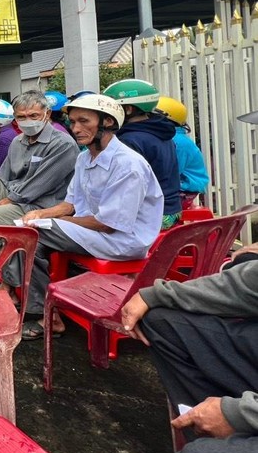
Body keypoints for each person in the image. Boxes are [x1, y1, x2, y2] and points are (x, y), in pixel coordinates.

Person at [18, 93, 163, 340]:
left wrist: (57, 223)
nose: (76, 128)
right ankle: (47, 301)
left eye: (84, 121)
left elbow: (107, 224)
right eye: (73, 122)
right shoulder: (85, 157)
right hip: (91, 231)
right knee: (27, 228)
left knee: (32, 237)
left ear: (107, 123)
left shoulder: (128, 164)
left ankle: (48, 317)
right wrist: (41, 213)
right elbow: (70, 203)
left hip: (121, 241)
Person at [122, 238, 258, 453]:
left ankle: (227, 438)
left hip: (127, 239)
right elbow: (248, 282)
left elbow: (110, 223)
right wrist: (154, 295)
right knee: (161, 321)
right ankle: (208, 426)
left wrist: (240, 413)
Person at [0, 90, 78, 228]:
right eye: (21, 117)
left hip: (38, 205)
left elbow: (36, 187)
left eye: (33, 116)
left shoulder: (62, 144)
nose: (27, 121)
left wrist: (2, 203)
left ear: (47, 114)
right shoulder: (17, 141)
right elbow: (3, 178)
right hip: (15, 195)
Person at [103, 79, 182, 228]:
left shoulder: (129, 141)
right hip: (172, 209)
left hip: (153, 213)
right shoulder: (160, 131)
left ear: (128, 110)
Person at [155, 96, 209, 205]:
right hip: (180, 187)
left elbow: (172, 172)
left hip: (184, 189)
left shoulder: (177, 142)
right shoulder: (173, 138)